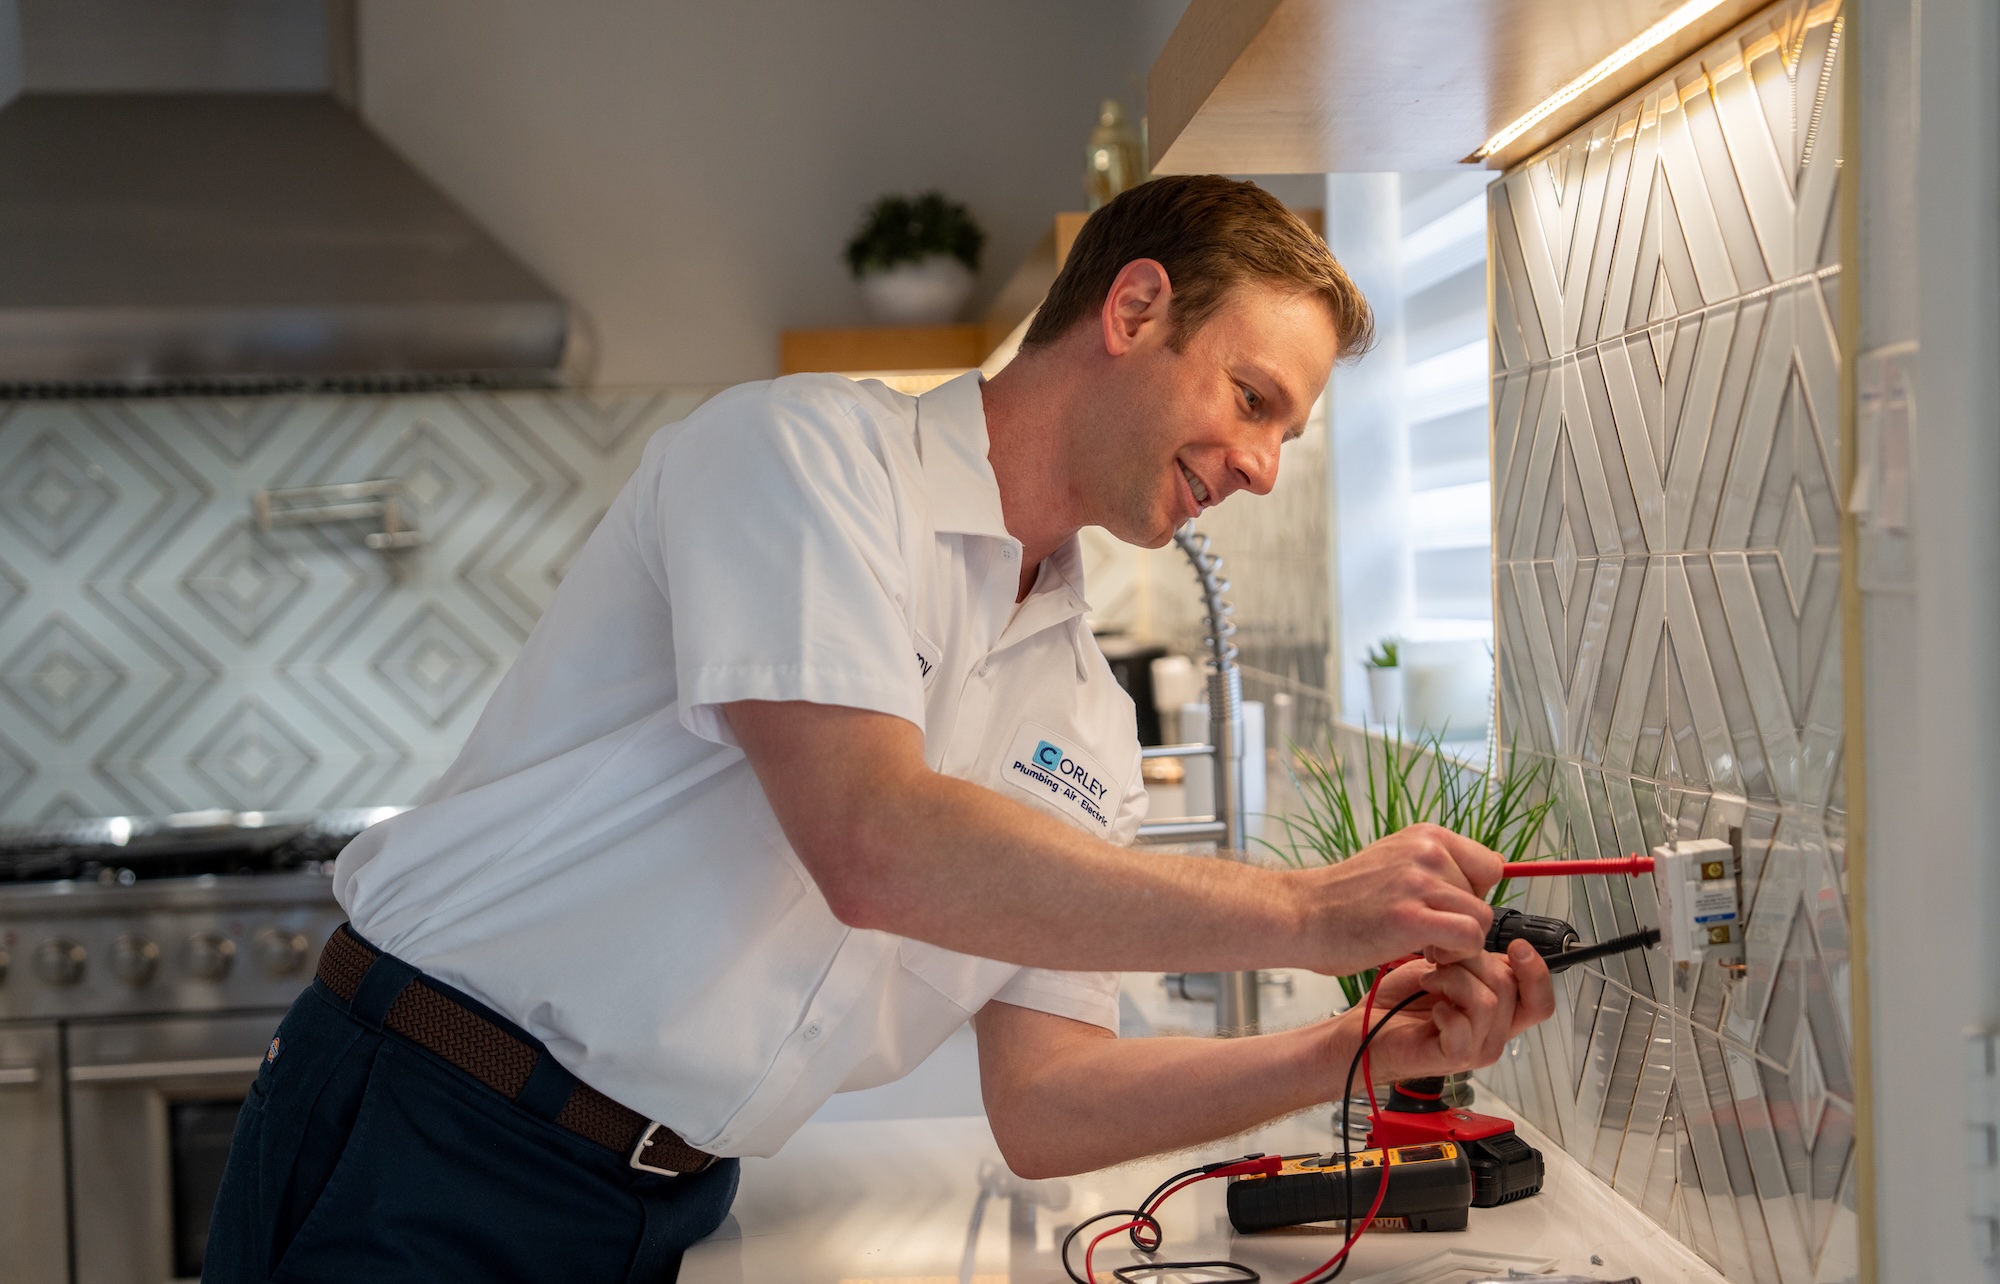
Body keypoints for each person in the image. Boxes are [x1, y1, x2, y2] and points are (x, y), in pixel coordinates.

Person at [203, 175, 1555, 1284]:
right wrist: (1309, 913)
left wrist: (1353, 1048)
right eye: (1254, 400)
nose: (1263, 466)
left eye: (1290, 439)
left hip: (656, 1201)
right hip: (431, 1126)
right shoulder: (800, 459)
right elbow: (875, 837)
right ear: (1136, 308)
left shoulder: (1080, 705)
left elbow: (1047, 1103)